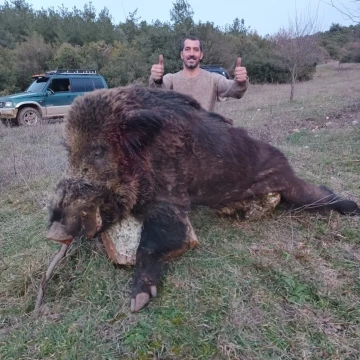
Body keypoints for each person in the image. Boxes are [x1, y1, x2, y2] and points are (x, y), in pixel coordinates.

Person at [149, 35, 248, 112]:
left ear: (201, 55)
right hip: (177, 136)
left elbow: (234, 91)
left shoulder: (213, 79)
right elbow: (157, 92)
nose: (191, 54)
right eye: (187, 49)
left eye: (196, 50)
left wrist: (240, 81)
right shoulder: (171, 79)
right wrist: (156, 79)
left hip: (205, 136)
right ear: (181, 55)